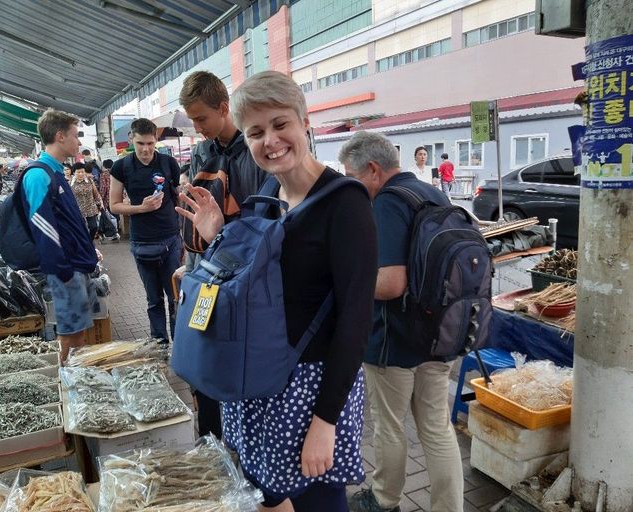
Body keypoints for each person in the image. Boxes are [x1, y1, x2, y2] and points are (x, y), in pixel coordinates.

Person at [175, 70, 377, 512]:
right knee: (269, 498)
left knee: (318, 499)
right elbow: (259, 277)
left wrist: (325, 421)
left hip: (310, 389)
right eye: (256, 132)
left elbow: (356, 320)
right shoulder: (271, 189)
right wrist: (217, 235)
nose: (271, 140)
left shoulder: (345, 203)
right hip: (257, 379)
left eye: (280, 124)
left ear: (305, 122)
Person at [339, 131, 464, 512]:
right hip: (440, 332)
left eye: (352, 176)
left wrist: (344, 278)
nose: (351, 185)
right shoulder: (432, 194)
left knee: (390, 425)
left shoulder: (388, 203)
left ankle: (384, 500)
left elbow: (391, 283)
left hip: (396, 338)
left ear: (373, 169)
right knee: (437, 428)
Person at [179, 70, 268, 439]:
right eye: (193, 119)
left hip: (243, 276)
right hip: (204, 273)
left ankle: (239, 438)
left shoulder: (256, 152)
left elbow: (266, 220)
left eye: (202, 118)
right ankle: (211, 438)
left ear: (224, 107)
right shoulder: (202, 151)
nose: (197, 127)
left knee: (236, 354)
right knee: (202, 348)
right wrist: (188, 267)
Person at [20, 109, 99, 360]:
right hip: (67, 270)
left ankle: (81, 382)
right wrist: (62, 270)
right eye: (76, 136)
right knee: (72, 336)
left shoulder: (55, 172)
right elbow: (42, 228)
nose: (79, 142)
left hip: (77, 265)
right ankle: (72, 387)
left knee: (80, 333)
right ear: (60, 136)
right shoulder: (38, 175)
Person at [109, 118, 182, 345]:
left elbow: (178, 197)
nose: (146, 149)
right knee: (154, 300)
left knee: (176, 298)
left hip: (171, 240)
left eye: (150, 143)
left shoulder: (170, 163)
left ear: (156, 140)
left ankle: (181, 346)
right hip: (142, 243)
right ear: (131, 139)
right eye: (140, 143)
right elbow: (113, 205)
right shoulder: (121, 167)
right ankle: (159, 343)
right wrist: (141, 208)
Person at [71, 162, 103, 241]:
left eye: (82, 171)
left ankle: (90, 241)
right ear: (74, 172)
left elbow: (96, 193)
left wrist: (100, 202)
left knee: (94, 227)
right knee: (81, 229)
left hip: (90, 208)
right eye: (78, 172)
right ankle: (84, 243)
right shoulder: (70, 183)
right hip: (78, 210)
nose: (81, 174)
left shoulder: (90, 181)